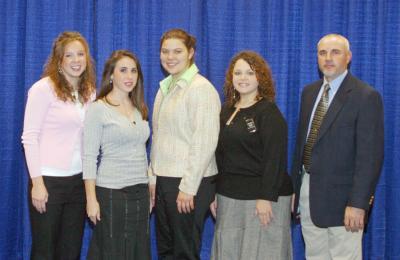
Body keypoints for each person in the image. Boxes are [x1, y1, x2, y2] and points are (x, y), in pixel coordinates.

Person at [291, 34, 384, 259]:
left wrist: (358, 203)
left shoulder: (365, 96)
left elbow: (369, 157)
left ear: (348, 57)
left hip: (345, 203)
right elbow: (302, 145)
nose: (328, 58)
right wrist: (296, 187)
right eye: (323, 53)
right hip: (308, 194)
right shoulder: (309, 93)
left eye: (335, 52)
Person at [210, 51, 293, 260]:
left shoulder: (269, 113)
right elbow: (218, 156)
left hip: (263, 199)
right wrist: (214, 192)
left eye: (249, 72)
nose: (243, 78)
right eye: (238, 73)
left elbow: (275, 158)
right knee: (229, 251)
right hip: (229, 196)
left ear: (260, 77)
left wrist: (266, 197)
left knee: (262, 253)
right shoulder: (225, 110)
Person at [21, 31, 96, 259]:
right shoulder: (43, 89)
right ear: (59, 61)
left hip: (78, 183)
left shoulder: (89, 92)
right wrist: (37, 183)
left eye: (80, 54)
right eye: (69, 55)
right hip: (48, 183)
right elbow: (29, 137)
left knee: (70, 251)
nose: (76, 60)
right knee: (45, 251)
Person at [148, 28, 221, 259]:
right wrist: (153, 178)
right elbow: (159, 139)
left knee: (185, 251)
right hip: (165, 180)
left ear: (191, 53)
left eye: (177, 51)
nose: (170, 57)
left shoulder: (201, 89)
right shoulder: (165, 88)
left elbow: (205, 142)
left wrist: (188, 188)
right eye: (165, 51)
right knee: (167, 249)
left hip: (189, 183)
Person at [83, 50, 151, 259]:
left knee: (138, 250)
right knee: (113, 251)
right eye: (123, 70)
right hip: (111, 192)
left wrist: (149, 187)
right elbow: (89, 156)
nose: (129, 76)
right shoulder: (98, 109)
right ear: (111, 75)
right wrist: (91, 199)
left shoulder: (139, 107)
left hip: (140, 191)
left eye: (133, 71)